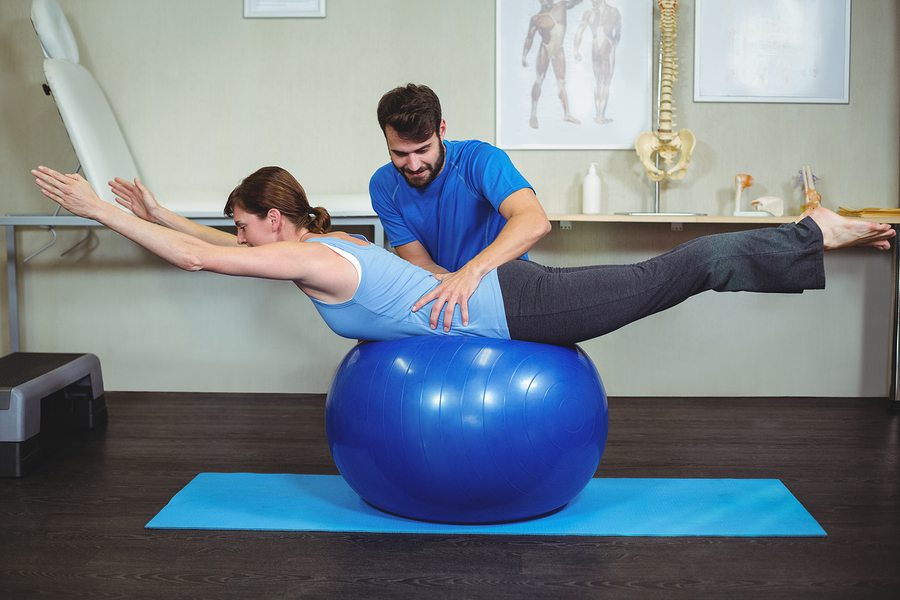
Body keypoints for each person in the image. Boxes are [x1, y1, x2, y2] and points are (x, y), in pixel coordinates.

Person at [32, 165, 895, 345]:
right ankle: (821, 230)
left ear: (278, 221)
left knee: (682, 269)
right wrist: (145, 212)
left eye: (245, 225)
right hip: (504, 299)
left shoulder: (315, 259)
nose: (239, 241)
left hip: (517, 308)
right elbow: (212, 249)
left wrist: (102, 209)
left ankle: (819, 228)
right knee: (678, 275)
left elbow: (198, 261)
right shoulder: (316, 243)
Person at [371, 84, 551, 331]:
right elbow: (420, 263)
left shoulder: (481, 160)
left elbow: (534, 221)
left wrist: (470, 273)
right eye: (400, 153)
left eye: (423, 150)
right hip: (445, 296)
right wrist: (456, 288)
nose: (413, 165)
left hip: (504, 293)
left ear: (441, 130)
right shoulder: (383, 185)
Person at [522, 0, 584, 129]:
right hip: (545, 48)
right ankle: (533, 114)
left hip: (558, 50)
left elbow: (575, 2)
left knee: (561, 82)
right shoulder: (537, 19)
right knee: (539, 79)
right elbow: (529, 38)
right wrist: (524, 55)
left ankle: (567, 114)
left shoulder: (561, 6)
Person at [573, 0, 621, 124]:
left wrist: (575, 50)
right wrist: (614, 44)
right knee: (605, 83)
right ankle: (600, 116)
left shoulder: (589, 13)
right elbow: (618, 32)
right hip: (607, 44)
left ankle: (598, 115)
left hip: (595, 47)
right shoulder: (613, 11)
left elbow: (579, 31)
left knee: (598, 81)